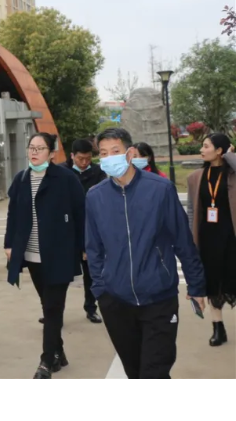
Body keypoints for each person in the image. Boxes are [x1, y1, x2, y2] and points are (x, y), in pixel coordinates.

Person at [86, 128, 207, 379]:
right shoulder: (95, 196)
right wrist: (101, 289)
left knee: (154, 373)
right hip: (116, 300)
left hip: (158, 298)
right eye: (103, 153)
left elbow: (182, 241)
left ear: (130, 154)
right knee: (134, 372)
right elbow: (93, 248)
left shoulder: (160, 189)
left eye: (115, 151)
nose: (108, 157)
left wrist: (196, 285)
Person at [5, 132, 86, 379]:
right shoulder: (21, 179)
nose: (34, 152)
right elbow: (13, 214)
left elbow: (81, 213)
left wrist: (84, 246)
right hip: (32, 255)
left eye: (40, 148)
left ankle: (46, 361)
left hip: (58, 253)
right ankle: (59, 352)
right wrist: (9, 244)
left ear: (51, 153)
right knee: (49, 305)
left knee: (52, 307)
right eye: (31, 147)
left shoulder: (66, 178)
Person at [187, 133, 236, 346]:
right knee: (213, 282)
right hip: (208, 238)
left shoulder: (232, 173)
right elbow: (191, 210)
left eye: (206, 146)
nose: (201, 150)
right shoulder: (196, 177)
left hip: (231, 237)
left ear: (219, 151)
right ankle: (218, 328)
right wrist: (191, 237)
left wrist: (230, 155)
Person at [65, 138, 107, 324]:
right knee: (61, 275)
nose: (84, 162)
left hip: (90, 229)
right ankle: (54, 311)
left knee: (91, 273)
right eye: (80, 158)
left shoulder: (98, 173)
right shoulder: (62, 172)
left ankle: (91, 308)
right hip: (67, 230)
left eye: (88, 159)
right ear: (72, 156)